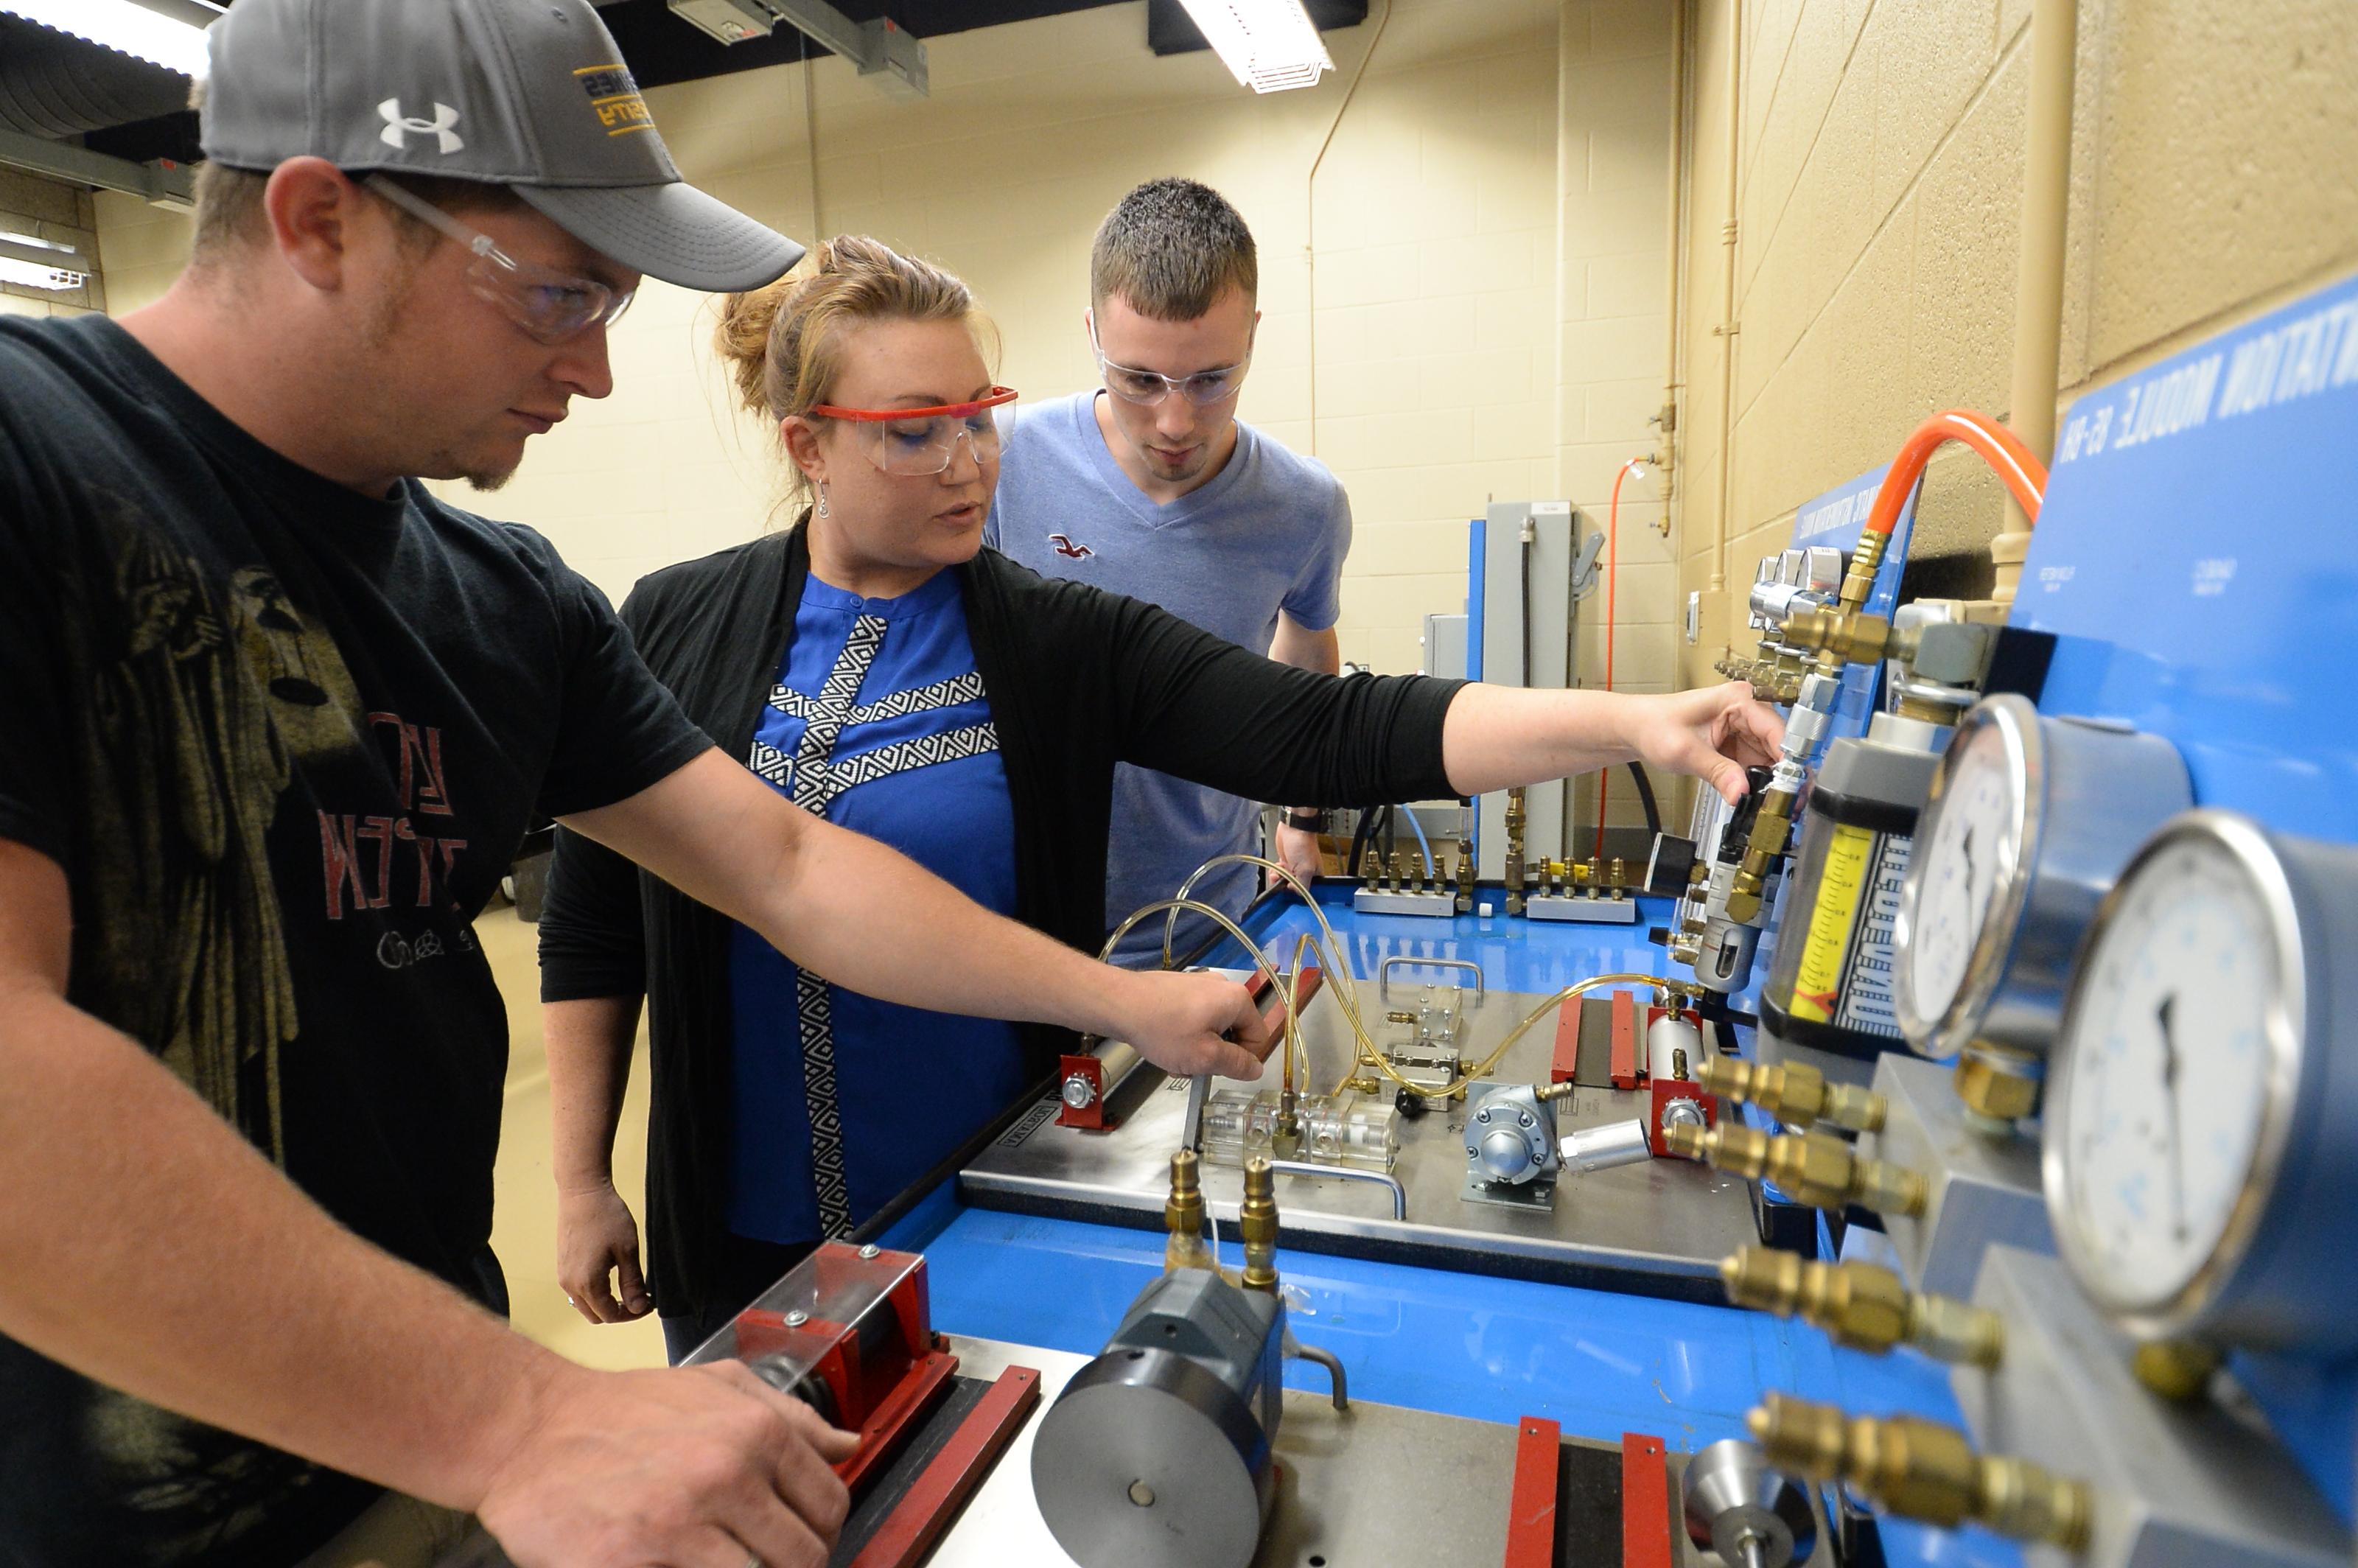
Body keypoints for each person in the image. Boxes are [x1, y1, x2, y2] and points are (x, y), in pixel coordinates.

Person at [0, 5, 1270, 1567]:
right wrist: (520, 1409)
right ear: (321, 217)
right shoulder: (33, 465)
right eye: (559, 294)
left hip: (419, 1480)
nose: (595, 371)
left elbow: (794, 873)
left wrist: (1122, 1000)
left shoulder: (500, 598)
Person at [539, 235, 1783, 1362]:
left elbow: (1330, 728)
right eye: (915, 429)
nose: (971, 461)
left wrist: (1637, 721)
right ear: (810, 444)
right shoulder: (672, 618)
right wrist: (581, 1171)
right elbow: (598, 908)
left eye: (979, 416)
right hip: (737, 1224)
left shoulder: (1052, 642)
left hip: (978, 1208)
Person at [985, 178, 1347, 962]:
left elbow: (1307, 666)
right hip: (1017, 934)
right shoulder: (998, 459)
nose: (1175, 422)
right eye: (1140, 380)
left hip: (1202, 925)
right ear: (1092, 335)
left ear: (1252, 334)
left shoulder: (1303, 505)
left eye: (1210, 379)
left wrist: (1301, 817)